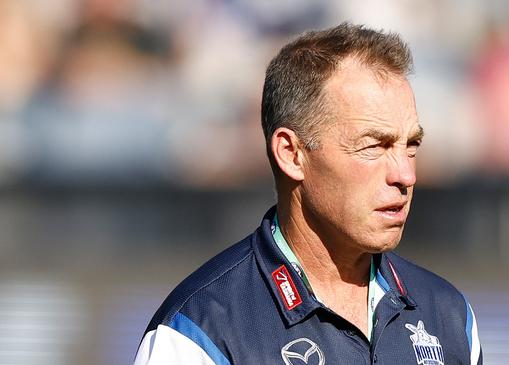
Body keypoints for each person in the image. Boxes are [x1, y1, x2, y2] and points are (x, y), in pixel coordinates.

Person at [134, 22, 482, 365]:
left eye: (411, 145)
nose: (405, 175)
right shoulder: (200, 329)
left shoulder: (448, 316)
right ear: (291, 153)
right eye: (374, 145)